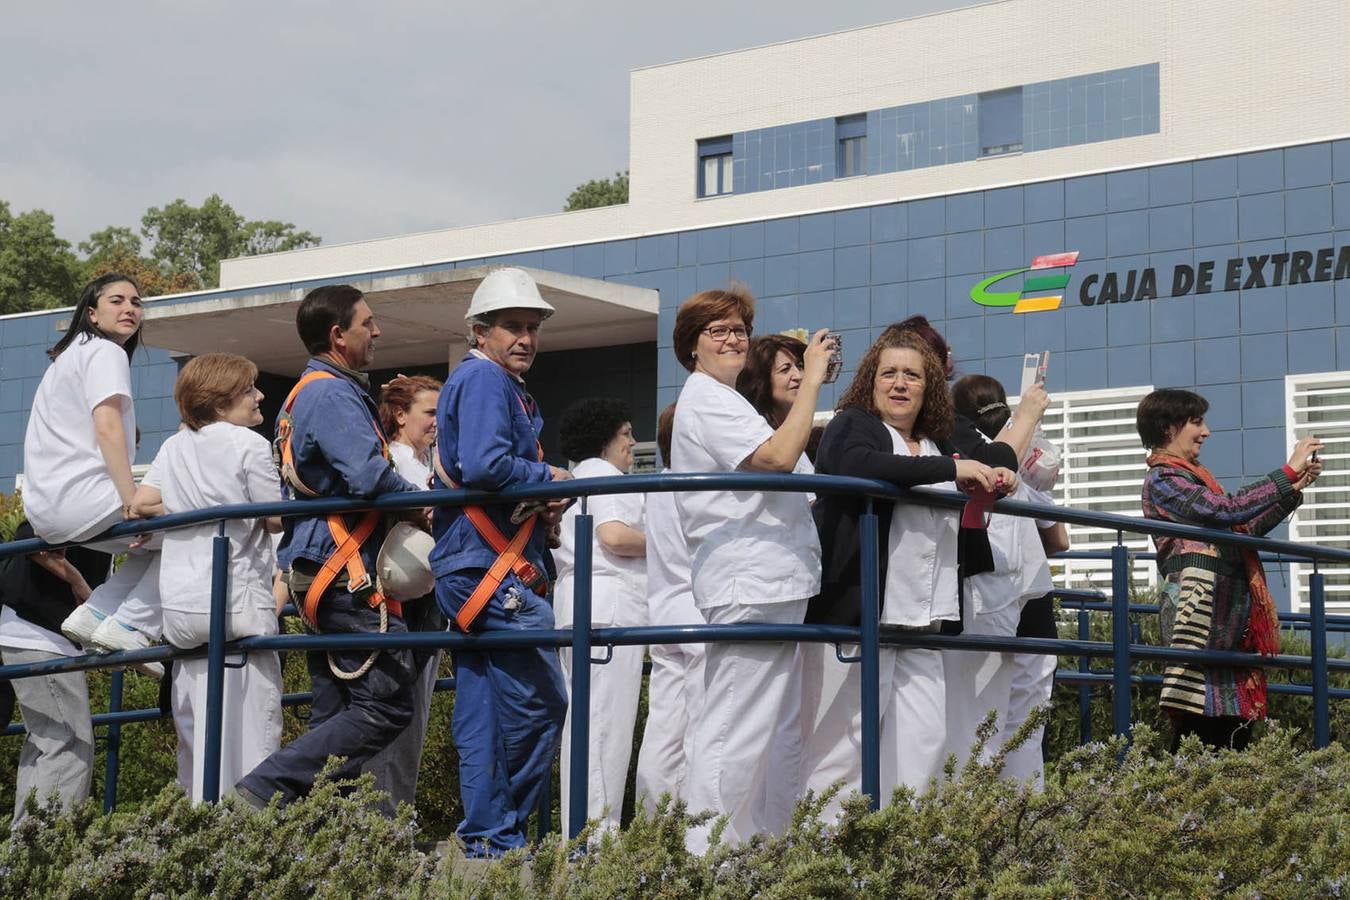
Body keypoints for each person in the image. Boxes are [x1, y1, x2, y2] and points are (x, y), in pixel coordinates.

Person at [803, 329, 1008, 818]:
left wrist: (997, 473)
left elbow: (992, 453)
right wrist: (950, 469)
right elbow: (851, 463)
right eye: (888, 373)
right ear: (869, 382)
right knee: (842, 744)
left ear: (928, 386)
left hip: (922, 617)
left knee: (926, 737)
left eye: (911, 375)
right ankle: (819, 852)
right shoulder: (852, 424)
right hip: (860, 613)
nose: (899, 384)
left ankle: (900, 847)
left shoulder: (938, 439)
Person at [236, 284, 422, 808]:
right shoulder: (332, 393)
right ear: (338, 335)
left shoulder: (305, 394)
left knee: (336, 712)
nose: (377, 331)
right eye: (368, 323)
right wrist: (430, 503)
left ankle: (318, 834)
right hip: (345, 571)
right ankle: (265, 787)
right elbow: (369, 478)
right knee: (384, 706)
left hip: (320, 565)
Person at [669, 285, 832, 852]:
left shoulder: (730, 400)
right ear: (692, 346)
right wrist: (811, 378)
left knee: (752, 728)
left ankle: (732, 849)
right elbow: (777, 460)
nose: (734, 338)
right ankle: (704, 858)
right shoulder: (707, 398)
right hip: (750, 578)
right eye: (719, 330)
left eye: (740, 329)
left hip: (771, 578)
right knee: (734, 726)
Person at [431, 267, 571, 857]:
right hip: (489, 566)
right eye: (512, 326)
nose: (525, 338)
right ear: (479, 331)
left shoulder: (478, 379)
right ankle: (499, 831)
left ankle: (490, 835)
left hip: (477, 566)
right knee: (543, 699)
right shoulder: (487, 381)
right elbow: (487, 468)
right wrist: (550, 477)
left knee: (484, 708)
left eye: (532, 327)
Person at [129, 353, 284, 804]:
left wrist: (189, 510)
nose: (260, 396)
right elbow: (274, 519)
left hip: (181, 608)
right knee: (254, 731)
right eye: (250, 389)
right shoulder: (250, 444)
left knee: (198, 735)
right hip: (238, 603)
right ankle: (248, 837)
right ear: (220, 403)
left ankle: (201, 826)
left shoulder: (175, 446)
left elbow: (142, 503)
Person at [1136, 388, 1320, 751]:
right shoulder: (1164, 480)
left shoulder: (1191, 478)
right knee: (1198, 719)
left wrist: (1293, 489)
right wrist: (1286, 472)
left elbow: (1241, 528)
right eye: (1197, 422)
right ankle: (1178, 802)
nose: (1206, 432)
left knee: (1230, 722)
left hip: (1225, 619)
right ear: (1169, 427)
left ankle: (1197, 801)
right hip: (1199, 616)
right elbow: (1229, 510)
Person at [23, 273, 164, 678]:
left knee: (154, 545)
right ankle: (131, 624)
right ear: (91, 312)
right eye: (116, 301)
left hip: (50, 512)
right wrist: (130, 498)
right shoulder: (104, 352)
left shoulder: (68, 357)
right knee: (205, 531)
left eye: (136, 302)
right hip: (86, 499)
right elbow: (107, 427)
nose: (129, 309)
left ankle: (97, 612)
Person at [946, 374, 1061, 771]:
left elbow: (1056, 534)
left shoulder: (996, 449)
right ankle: (1013, 814)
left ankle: (1002, 816)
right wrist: (1027, 418)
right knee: (1011, 718)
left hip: (1014, 586)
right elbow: (1059, 538)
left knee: (988, 716)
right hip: (1002, 585)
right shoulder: (968, 444)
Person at [553, 397, 647, 833]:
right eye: (626, 434)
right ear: (605, 439)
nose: (631, 443)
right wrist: (669, 542)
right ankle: (596, 836)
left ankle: (582, 828)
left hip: (575, 605)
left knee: (584, 724)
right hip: (609, 611)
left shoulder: (570, 480)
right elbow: (613, 535)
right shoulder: (607, 477)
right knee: (606, 727)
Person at [361, 374, 447, 816]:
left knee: (413, 718)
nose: (438, 421)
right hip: (406, 605)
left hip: (424, 603)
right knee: (399, 715)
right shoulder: (395, 464)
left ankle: (393, 819)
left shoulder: (429, 462)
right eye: (429, 412)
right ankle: (383, 824)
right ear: (399, 415)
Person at [0, 520, 110, 822]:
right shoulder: (91, 501)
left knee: (46, 745)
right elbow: (28, 535)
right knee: (68, 745)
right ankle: (46, 854)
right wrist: (75, 579)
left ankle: (23, 855)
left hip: (32, 632)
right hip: (42, 636)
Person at [633, 404, 704, 810]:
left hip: (663, 609)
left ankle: (652, 820)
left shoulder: (656, 485)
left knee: (664, 724)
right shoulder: (701, 483)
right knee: (702, 723)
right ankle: (697, 819)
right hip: (699, 607)